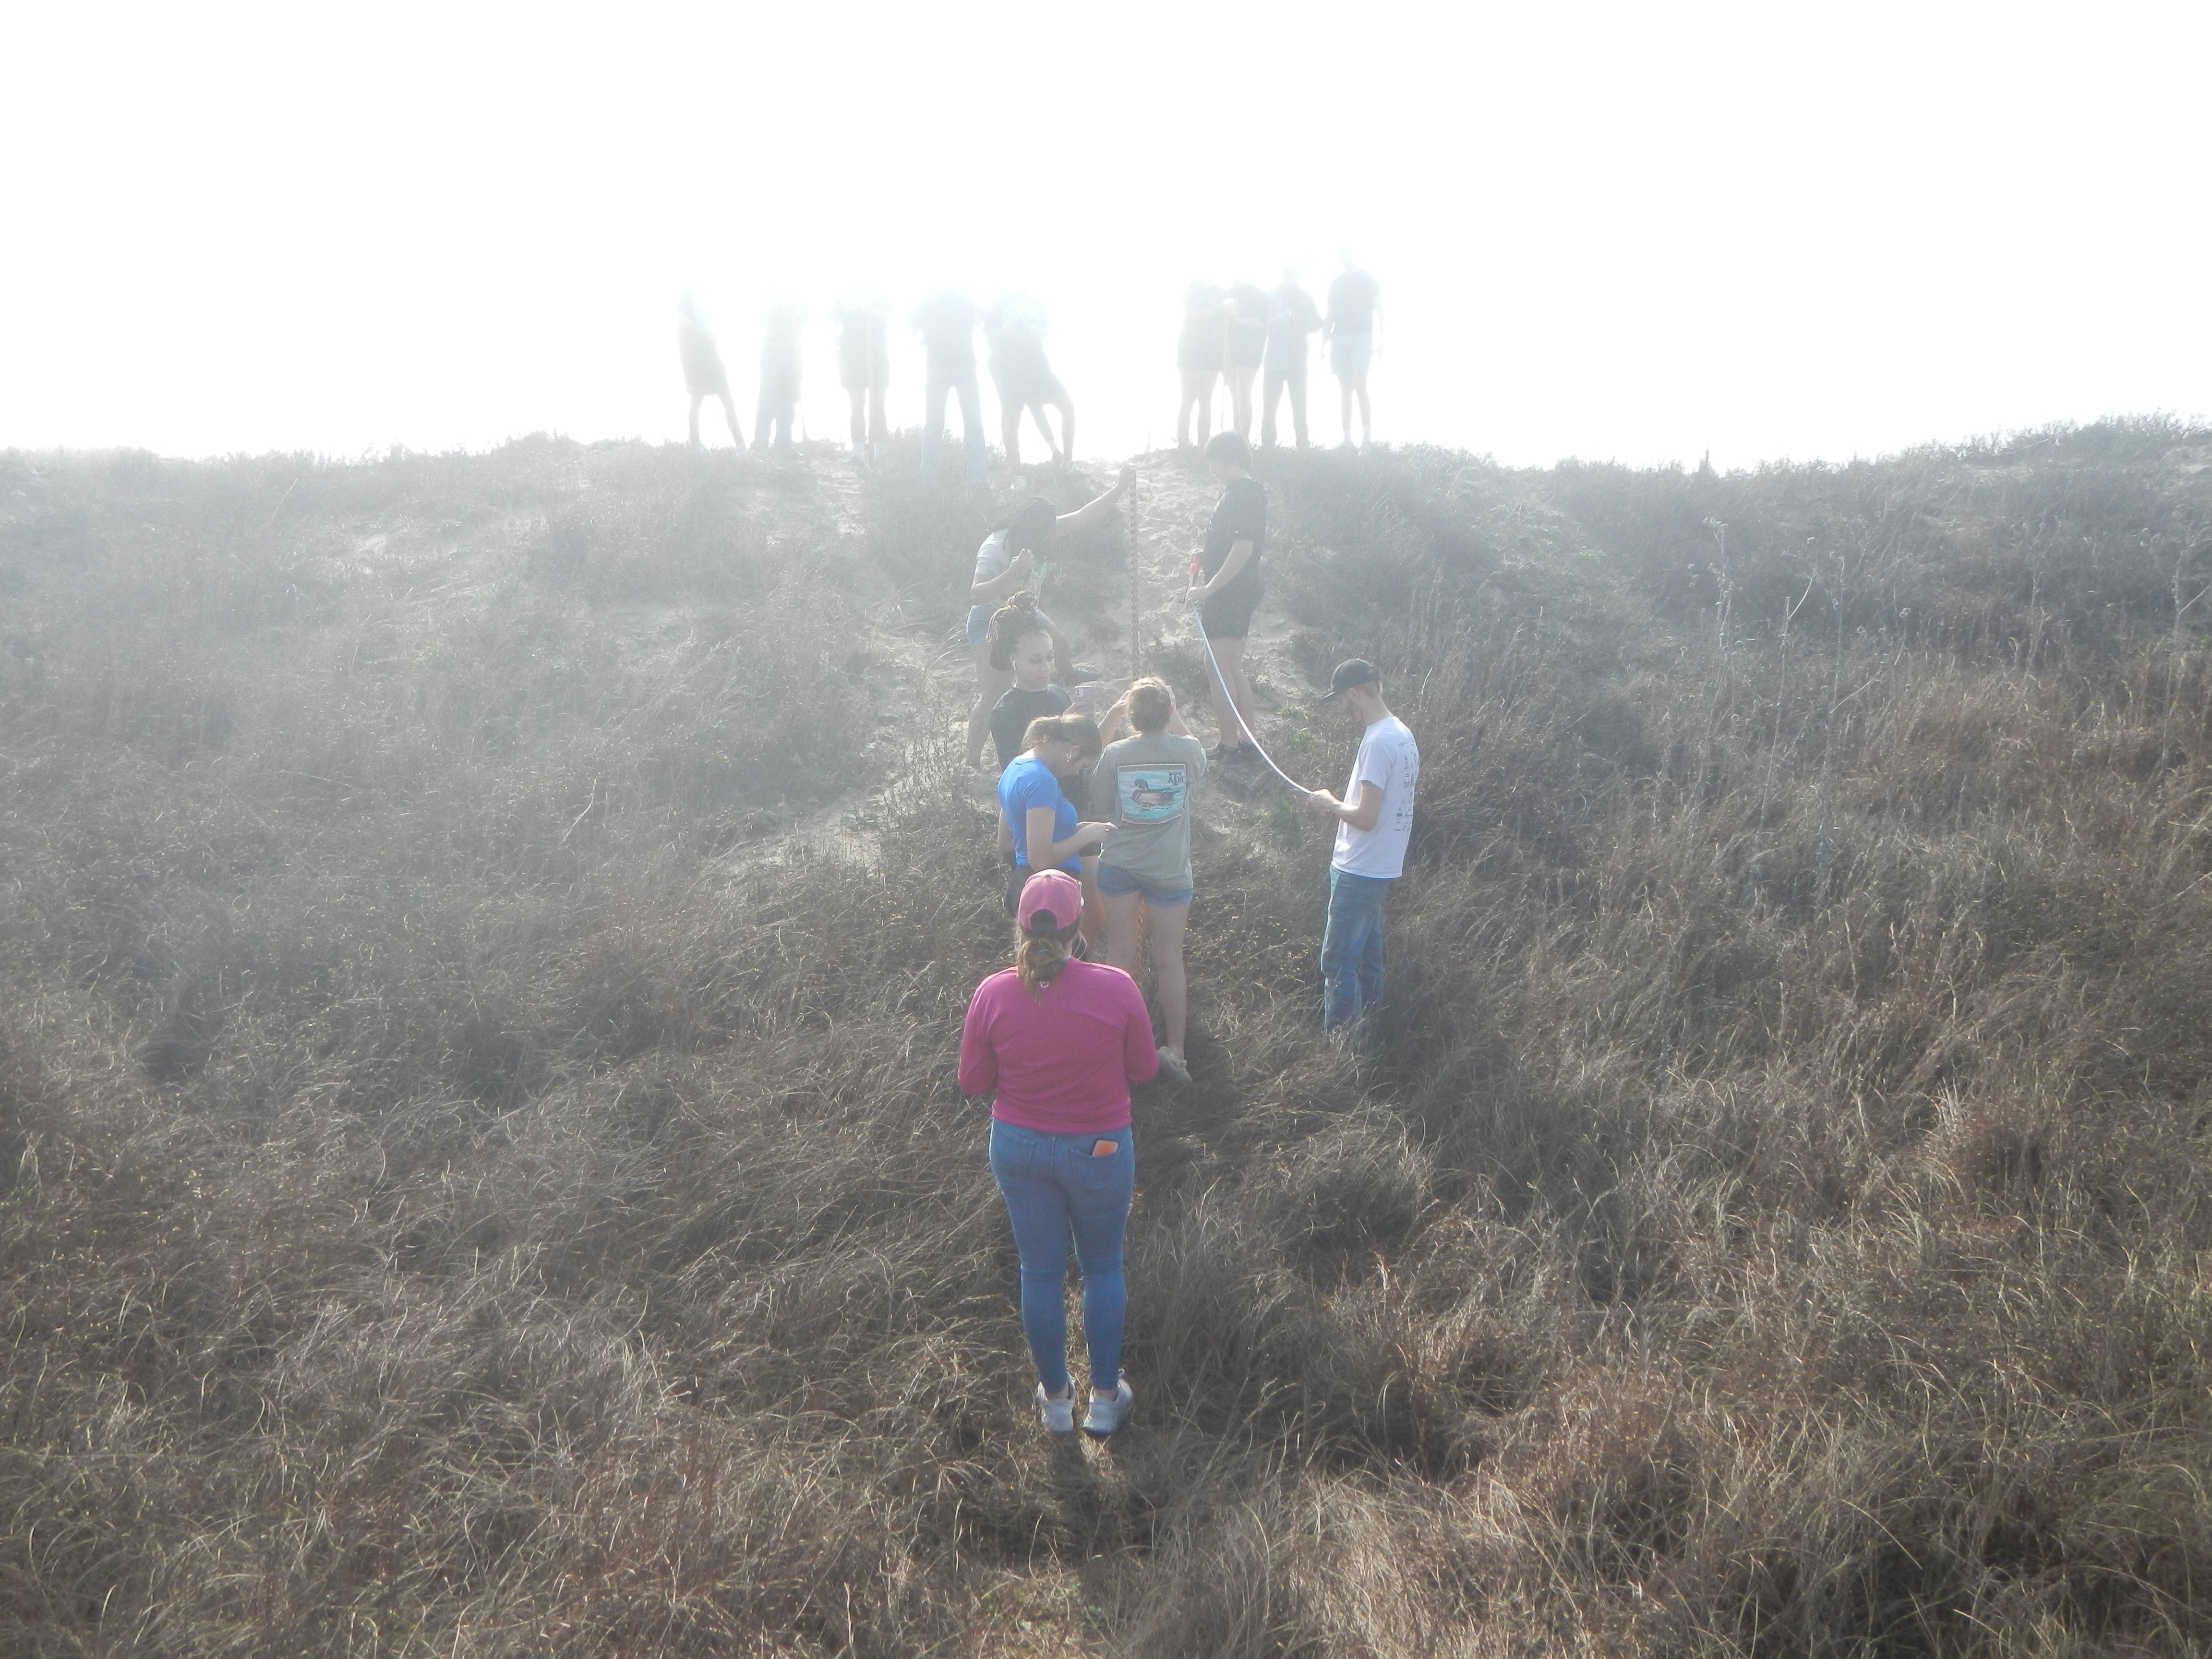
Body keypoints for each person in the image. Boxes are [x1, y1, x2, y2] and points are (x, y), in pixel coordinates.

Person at [960, 869, 1155, 1438]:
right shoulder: (1117, 987)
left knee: (1039, 1272)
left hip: (1018, 1148)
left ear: (1020, 926)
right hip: (1098, 1148)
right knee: (1102, 1268)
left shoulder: (993, 991)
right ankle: (1103, 1400)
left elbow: (973, 1083)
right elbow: (1143, 1069)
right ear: (1079, 929)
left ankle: (1054, 1405)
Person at [962, 468, 1135, 768]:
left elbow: (1084, 516)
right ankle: (972, 762)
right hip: (991, 617)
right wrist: (1013, 573)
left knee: (1061, 642)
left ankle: (1069, 677)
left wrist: (1120, 488)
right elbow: (976, 594)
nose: (1050, 538)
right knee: (994, 693)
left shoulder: (1043, 530)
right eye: (1045, 534)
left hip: (1025, 610)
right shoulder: (995, 548)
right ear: (1031, 530)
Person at [1091, 677, 1206, 1082]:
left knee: (1120, 957)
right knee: (1169, 961)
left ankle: (1108, 1044)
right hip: (1170, 871)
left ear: (1131, 714)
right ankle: (1175, 1051)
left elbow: (1101, 807)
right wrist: (1176, 717)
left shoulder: (1115, 754)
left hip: (1120, 864)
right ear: (1169, 711)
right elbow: (1200, 758)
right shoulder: (1188, 750)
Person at [1303, 659, 1419, 1034]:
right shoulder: (1402, 734)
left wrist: (1330, 803)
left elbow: (1367, 818)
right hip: (1379, 866)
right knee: (1368, 960)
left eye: (1342, 699)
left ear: (1355, 693)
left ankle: (1341, 1052)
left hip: (1360, 868)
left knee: (1337, 963)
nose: (1343, 708)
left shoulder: (1378, 742)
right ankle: (1368, 1039)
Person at [1183, 431, 1266, 762]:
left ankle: (1230, 745)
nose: (1213, 470)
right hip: (1238, 591)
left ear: (1229, 461)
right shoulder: (1243, 494)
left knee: (1217, 667)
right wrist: (1208, 551)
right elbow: (1233, 542)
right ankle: (1248, 741)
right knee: (1231, 666)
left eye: (1215, 464)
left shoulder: (1242, 495)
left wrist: (1208, 589)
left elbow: (1243, 549)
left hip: (1231, 594)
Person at [997, 713, 1111, 916]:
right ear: (1073, 752)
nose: (1077, 773)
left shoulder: (1016, 767)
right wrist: (1088, 835)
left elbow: (1007, 840)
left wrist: (1073, 830)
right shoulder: (1042, 781)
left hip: (1025, 888)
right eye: (1082, 765)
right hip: (1051, 894)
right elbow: (1041, 858)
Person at [986, 293, 1076, 470]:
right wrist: (1004, 333)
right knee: (1011, 418)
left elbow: (1047, 329)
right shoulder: (998, 300)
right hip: (1010, 370)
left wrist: (1036, 333)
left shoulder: (1035, 298)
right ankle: (1016, 474)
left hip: (1039, 367)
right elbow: (990, 339)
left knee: (1065, 407)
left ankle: (1067, 462)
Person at [913, 288, 988, 484]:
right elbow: (985, 321)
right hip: (964, 364)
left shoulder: (927, 298)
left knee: (934, 424)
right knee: (973, 424)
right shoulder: (966, 296)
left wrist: (922, 340)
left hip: (937, 366)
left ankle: (927, 478)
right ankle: (979, 480)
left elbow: (913, 327)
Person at [1323, 248, 1381, 448]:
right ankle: (1347, 439)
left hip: (1362, 337)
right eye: (1341, 255)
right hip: (1339, 337)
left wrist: (1382, 341)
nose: (1343, 259)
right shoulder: (1336, 283)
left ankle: (1367, 438)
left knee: (1360, 385)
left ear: (1353, 255)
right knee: (1345, 389)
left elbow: (1379, 310)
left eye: (1346, 254)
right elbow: (1330, 313)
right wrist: (1323, 341)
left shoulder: (1368, 280)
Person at [1260, 269, 1321, 451]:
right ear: (1281, 276)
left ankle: (1303, 446)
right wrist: (1282, 319)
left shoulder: (1305, 297)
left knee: (1300, 406)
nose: (1290, 279)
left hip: (1298, 359)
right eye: (1287, 275)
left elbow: (1318, 323)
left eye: (1293, 275)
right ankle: (1267, 445)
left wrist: (1302, 322)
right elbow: (1263, 326)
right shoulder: (1269, 297)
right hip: (1274, 359)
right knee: (1269, 407)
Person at [676, 294, 744, 449]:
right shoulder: (684, 294)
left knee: (728, 401)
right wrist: (705, 332)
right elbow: (682, 320)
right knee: (697, 401)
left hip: (712, 359)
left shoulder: (702, 296)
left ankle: (741, 445)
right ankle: (695, 444)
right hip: (695, 361)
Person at [832, 290, 891, 467]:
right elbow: (834, 329)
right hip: (852, 358)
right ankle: (857, 454)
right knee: (857, 405)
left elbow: (894, 319)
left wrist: (875, 313)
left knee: (878, 405)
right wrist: (839, 358)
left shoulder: (881, 295)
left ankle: (879, 453)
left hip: (878, 357)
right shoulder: (843, 296)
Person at [1175, 279, 1232, 450]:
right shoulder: (1189, 289)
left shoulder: (1223, 291)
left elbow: (1230, 313)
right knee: (1189, 397)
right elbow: (1194, 315)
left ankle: (1203, 446)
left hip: (1213, 350)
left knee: (1206, 399)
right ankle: (1183, 445)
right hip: (1190, 348)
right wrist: (1221, 308)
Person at [754, 302, 806, 454]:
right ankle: (760, 444)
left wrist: (797, 312)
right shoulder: (771, 294)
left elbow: (808, 314)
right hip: (772, 350)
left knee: (790, 399)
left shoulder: (799, 296)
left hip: (793, 352)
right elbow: (763, 312)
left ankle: (784, 444)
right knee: (767, 399)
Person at [1224, 279, 1269, 443]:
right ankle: (1236, 435)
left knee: (1243, 392)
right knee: (1233, 394)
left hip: (1250, 350)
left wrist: (1235, 321)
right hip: (1229, 349)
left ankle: (1244, 439)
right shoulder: (1225, 292)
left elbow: (1261, 323)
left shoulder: (1257, 294)